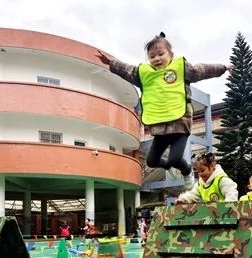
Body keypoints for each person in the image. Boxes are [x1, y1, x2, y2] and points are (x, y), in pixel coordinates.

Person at [97, 32, 233, 189]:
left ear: (171, 54)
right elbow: (128, 70)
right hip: (160, 128)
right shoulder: (146, 75)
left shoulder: (181, 69)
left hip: (180, 125)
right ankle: (169, 165)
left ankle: (187, 171)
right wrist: (111, 63)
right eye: (152, 56)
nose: (157, 59)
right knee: (151, 161)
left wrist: (223, 68)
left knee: (176, 159)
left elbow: (202, 70)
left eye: (161, 54)